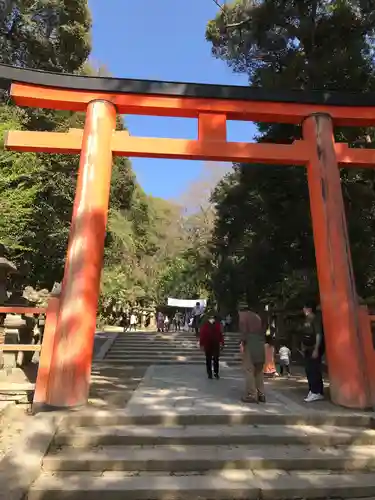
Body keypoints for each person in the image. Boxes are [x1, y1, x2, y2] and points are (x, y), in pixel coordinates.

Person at [239, 306, 266, 403]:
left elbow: (244, 331)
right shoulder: (257, 316)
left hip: (250, 343)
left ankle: (251, 394)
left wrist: (242, 343)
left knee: (249, 369)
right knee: (258, 370)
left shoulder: (243, 316)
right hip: (260, 342)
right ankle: (261, 394)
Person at [302, 303, 325, 403]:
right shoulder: (306, 319)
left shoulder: (315, 319)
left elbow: (318, 334)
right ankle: (312, 390)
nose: (303, 309)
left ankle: (317, 391)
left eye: (304, 307)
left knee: (314, 369)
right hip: (307, 347)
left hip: (314, 347)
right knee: (308, 369)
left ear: (309, 309)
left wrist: (316, 348)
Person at [199, 312, 224, 379]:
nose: (212, 319)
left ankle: (216, 372)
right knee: (208, 359)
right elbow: (202, 335)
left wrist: (221, 342)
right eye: (211, 317)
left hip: (216, 343)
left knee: (216, 359)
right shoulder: (205, 325)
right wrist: (201, 344)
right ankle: (209, 373)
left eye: (213, 317)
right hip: (208, 344)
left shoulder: (218, 324)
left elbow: (220, 334)